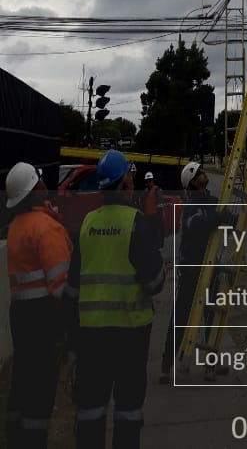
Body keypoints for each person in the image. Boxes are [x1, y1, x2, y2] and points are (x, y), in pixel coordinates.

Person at [65, 149, 164, 449]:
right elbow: (156, 282)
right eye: (130, 175)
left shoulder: (86, 224)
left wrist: (72, 337)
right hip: (131, 336)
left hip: (91, 336)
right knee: (128, 411)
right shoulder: (136, 223)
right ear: (124, 183)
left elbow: (72, 289)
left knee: (91, 410)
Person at [5, 162, 72, 449]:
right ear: (34, 190)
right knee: (41, 388)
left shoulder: (16, 227)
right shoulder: (45, 227)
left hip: (21, 317)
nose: (46, 185)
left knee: (22, 380)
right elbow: (62, 287)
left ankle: (17, 436)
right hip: (44, 320)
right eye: (40, 181)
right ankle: (34, 439)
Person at [159, 161, 231, 383]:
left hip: (210, 266)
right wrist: (216, 218)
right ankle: (166, 366)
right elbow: (194, 224)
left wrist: (240, 216)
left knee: (211, 316)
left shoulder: (210, 200)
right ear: (192, 181)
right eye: (200, 173)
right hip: (191, 268)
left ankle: (212, 364)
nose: (204, 174)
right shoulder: (190, 203)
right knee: (181, 316)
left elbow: (224, 219)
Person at [141, 171, 163, 250]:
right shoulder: (145, 191)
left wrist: (159, 215)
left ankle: (156, 247)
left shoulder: (157, 190)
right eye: (146, 181)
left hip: (155, 216)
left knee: (155, 233)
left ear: (152, 181)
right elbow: (143, 203)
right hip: (147, 217)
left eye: (149, 181)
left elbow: (160, 204)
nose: (147, 183)